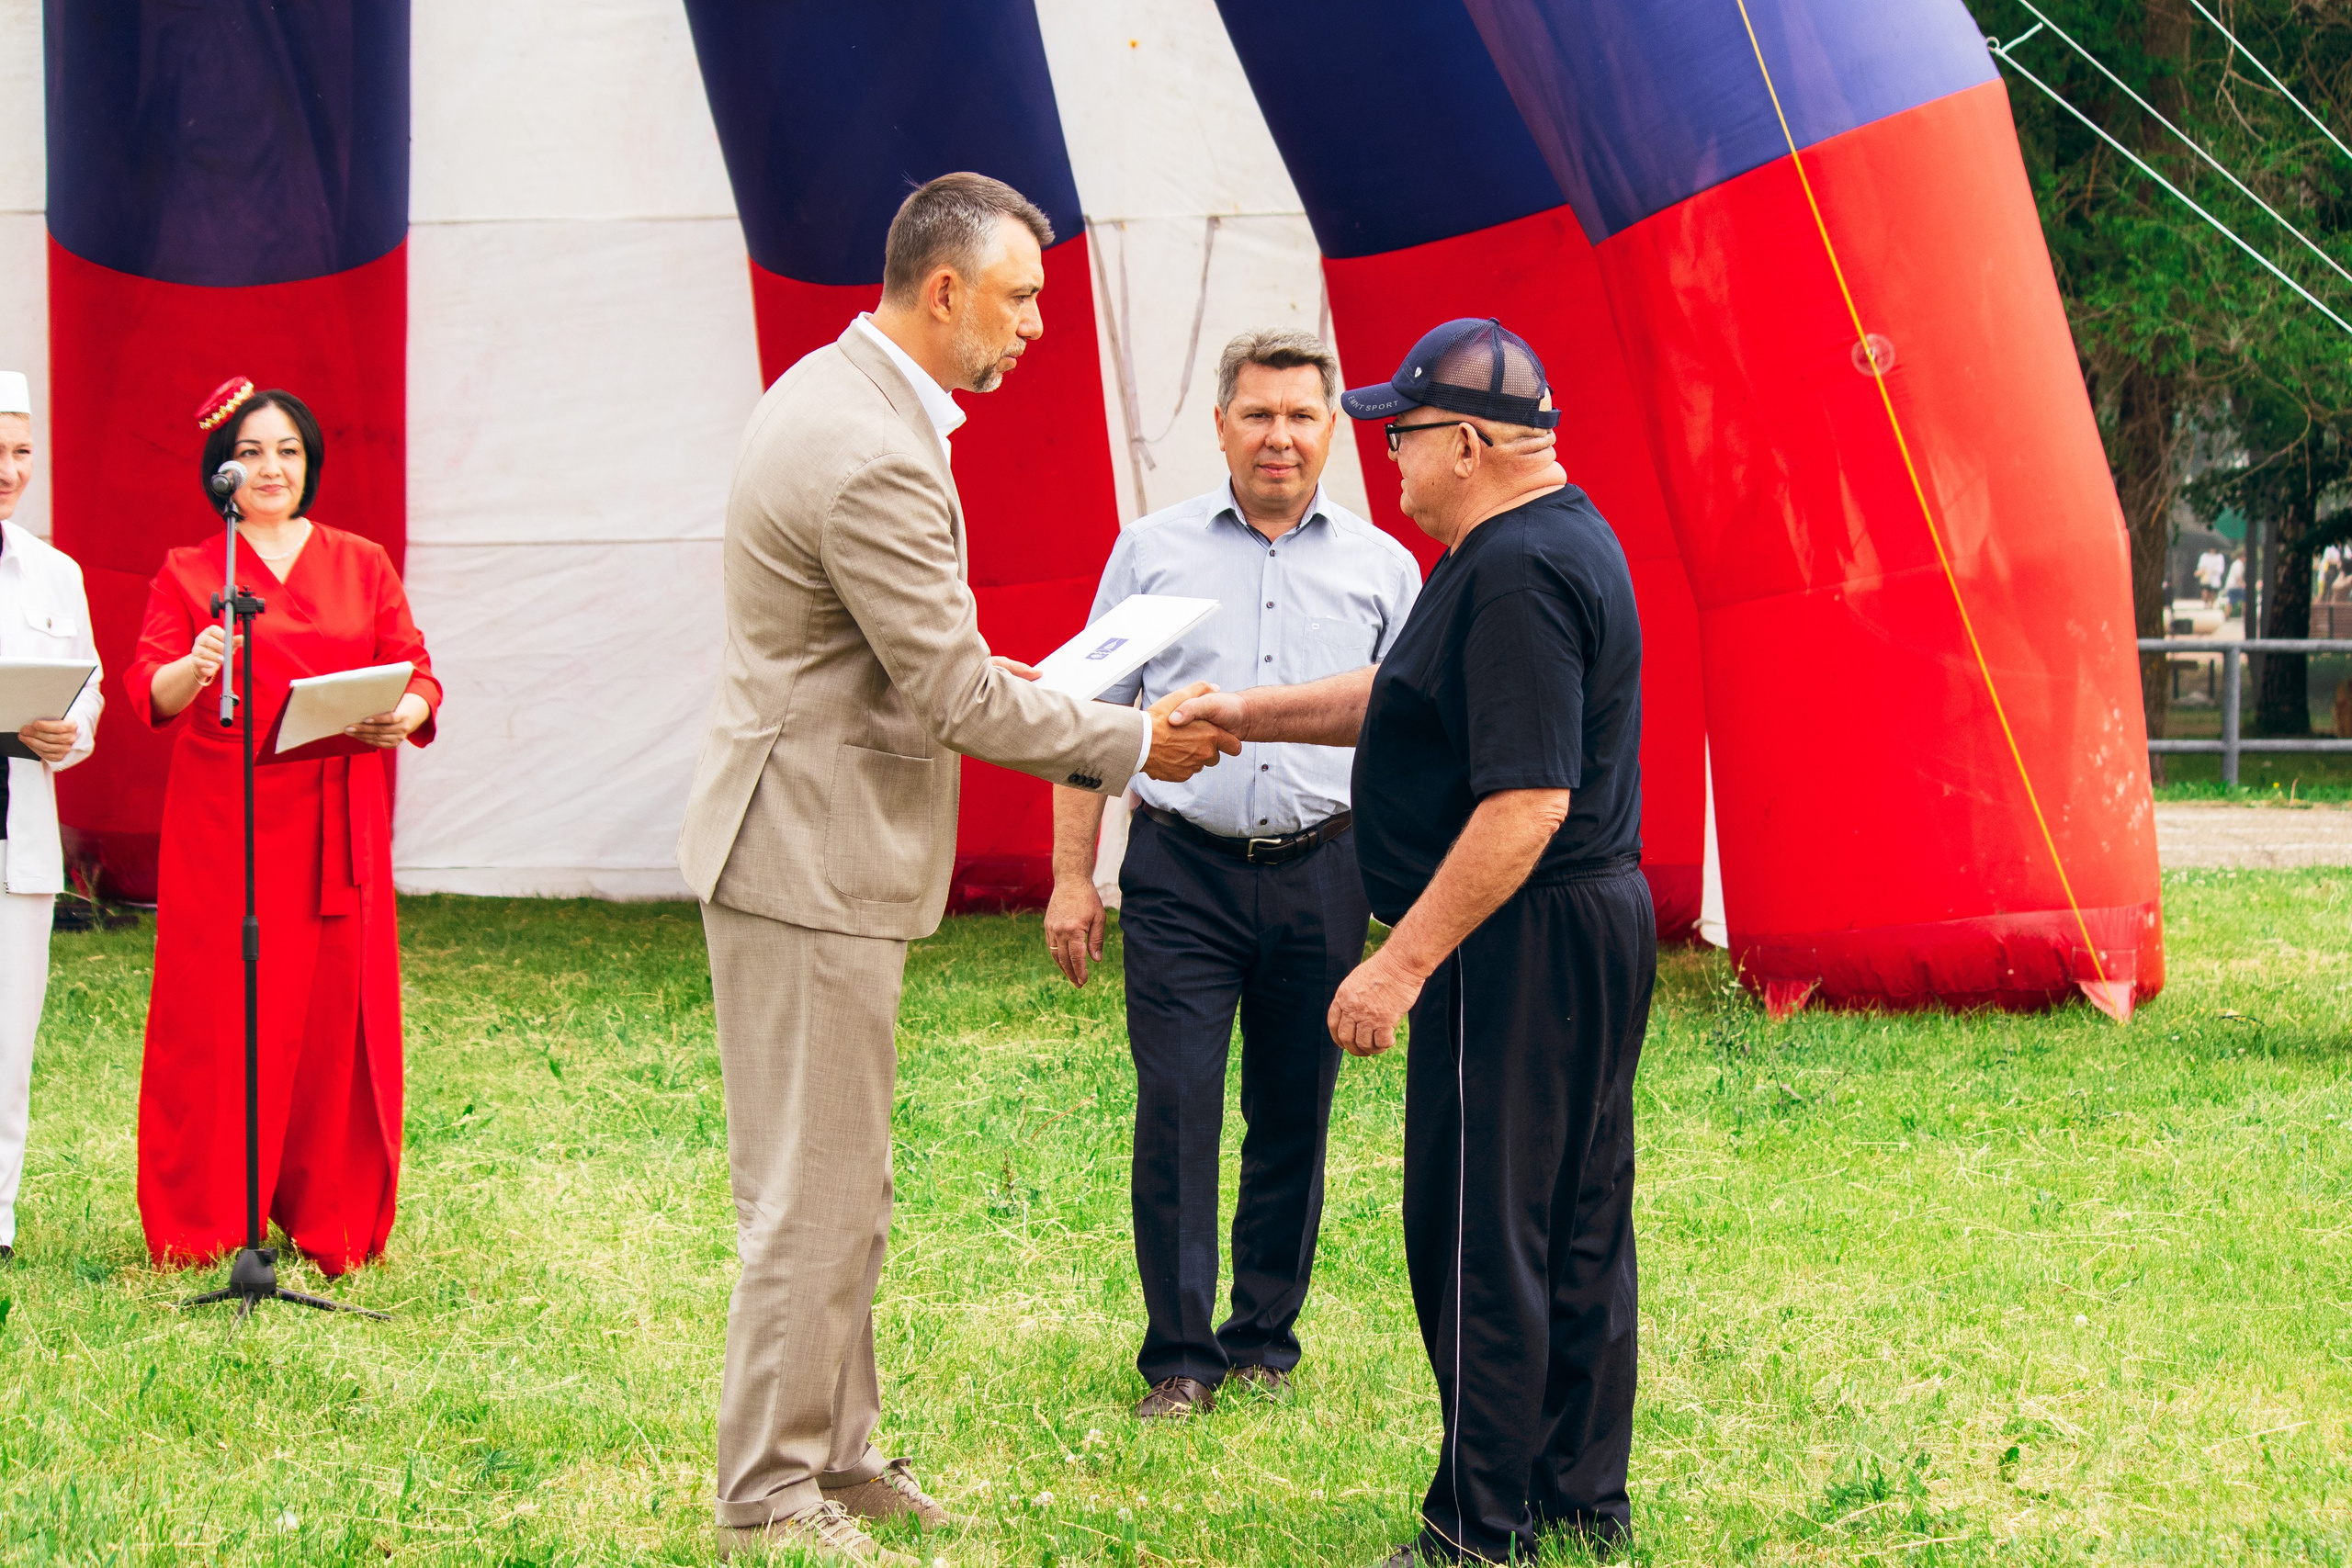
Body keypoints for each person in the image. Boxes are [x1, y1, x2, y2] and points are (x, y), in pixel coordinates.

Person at [676, 172, 1238, 1565]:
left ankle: (840, 1449)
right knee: (813, 1187)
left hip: (805, 833)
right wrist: (1132, 736)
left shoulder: (841, 397)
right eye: (1023, 295)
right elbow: (951, 692)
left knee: (843, 1179)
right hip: (806, 845)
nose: (1038, 325)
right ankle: (767, 1490)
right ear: (943, 292)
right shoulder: (866, 445)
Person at [1169, 320, 1655, 1564]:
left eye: (1406, 434)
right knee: (1578, 1212)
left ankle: (1477, 1525)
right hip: (1588, 918)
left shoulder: (1515, 571)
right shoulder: (1548, 537)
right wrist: (1249, 712)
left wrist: (1401, 960)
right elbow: (1411, 694)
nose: (1387, 457)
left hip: (1521, 931)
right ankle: (1579, 1499)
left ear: (1473, 444)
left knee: (1483, 1229)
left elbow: (1526, 800)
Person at [1042, 329, 1419, 1419]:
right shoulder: (1149, 554)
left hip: (1323, 871)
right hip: (1181, 874)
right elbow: (1087, 718)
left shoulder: (1384, 569)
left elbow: (1414, 736)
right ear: (1219, 426)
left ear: (1331, 432)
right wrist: (1077, 880)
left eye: (1302, 416)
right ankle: (1178, 1358)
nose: (1279, 437)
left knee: (1293, 1108)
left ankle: (1261, 1339)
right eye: (1257, 415)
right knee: (1176, 1103)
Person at [127, 380, 440, 1277]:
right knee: (221, 1015)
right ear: (223, 471)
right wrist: (195, 665)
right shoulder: (193, 570)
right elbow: (149, 689)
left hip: (335, 822)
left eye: (289, 451)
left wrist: (402, 711)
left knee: (334, 1017)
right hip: (227, 825)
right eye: (255, 453)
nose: (273, 468)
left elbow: (418, 671)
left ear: (309, 464)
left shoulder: (361, 560)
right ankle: (207, 1214)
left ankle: (325, 1209)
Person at [0, 369, 104, 1264]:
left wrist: (72, 731)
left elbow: (91, 687)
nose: (8, 468)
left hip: (20, 836)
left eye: (21, 450)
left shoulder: (55, 572)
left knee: (9, 1040)